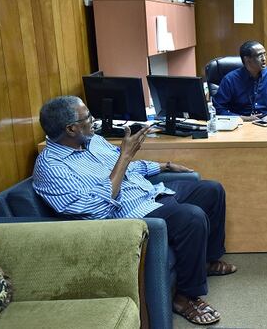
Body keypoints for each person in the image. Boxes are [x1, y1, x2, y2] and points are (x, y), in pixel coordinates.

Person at [32, 95, 236, 326]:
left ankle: (205, 262)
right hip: (127, 214)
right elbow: (96, 208)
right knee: (192, 218)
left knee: (212, 190)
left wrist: (164, 165)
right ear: (71, 128)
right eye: (88, 117)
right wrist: (125, 155)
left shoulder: (91, 141)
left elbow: (128, 166)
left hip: (146, 192)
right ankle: (185, 297)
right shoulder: (51, 167)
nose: (93, 120)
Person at [213, 40, 267, 121]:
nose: (264, 59)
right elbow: (219, 109)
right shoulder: (230, 80)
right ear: (247, 59)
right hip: (240, 125)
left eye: (264, 54)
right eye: (259, 55)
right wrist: (244, 119)